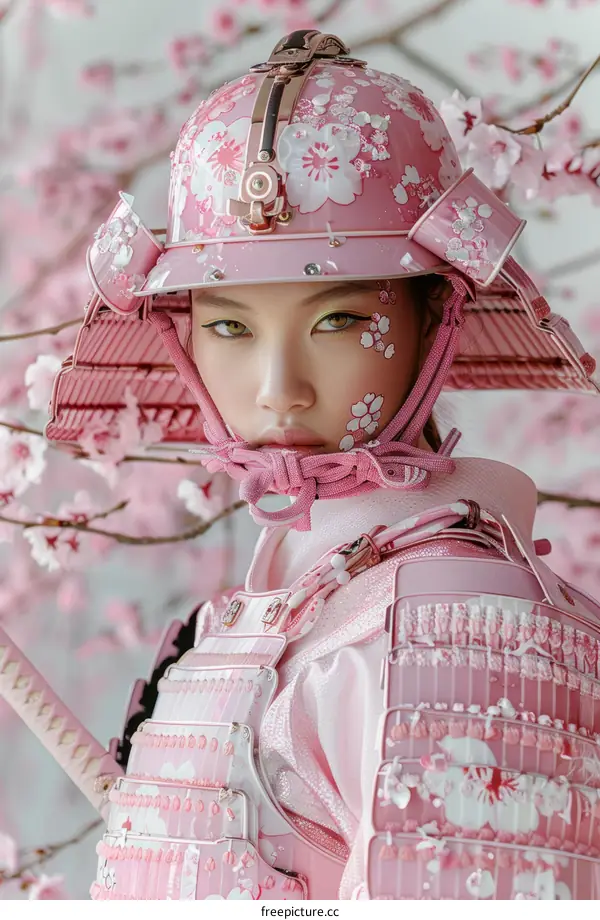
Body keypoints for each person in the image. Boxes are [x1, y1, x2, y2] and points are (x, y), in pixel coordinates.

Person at [47, 29, 600, 901]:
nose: (279, 390)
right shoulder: (251, 611)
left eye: (338, 321)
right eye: (230, 326)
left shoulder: (452, 622)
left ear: (435, 319)